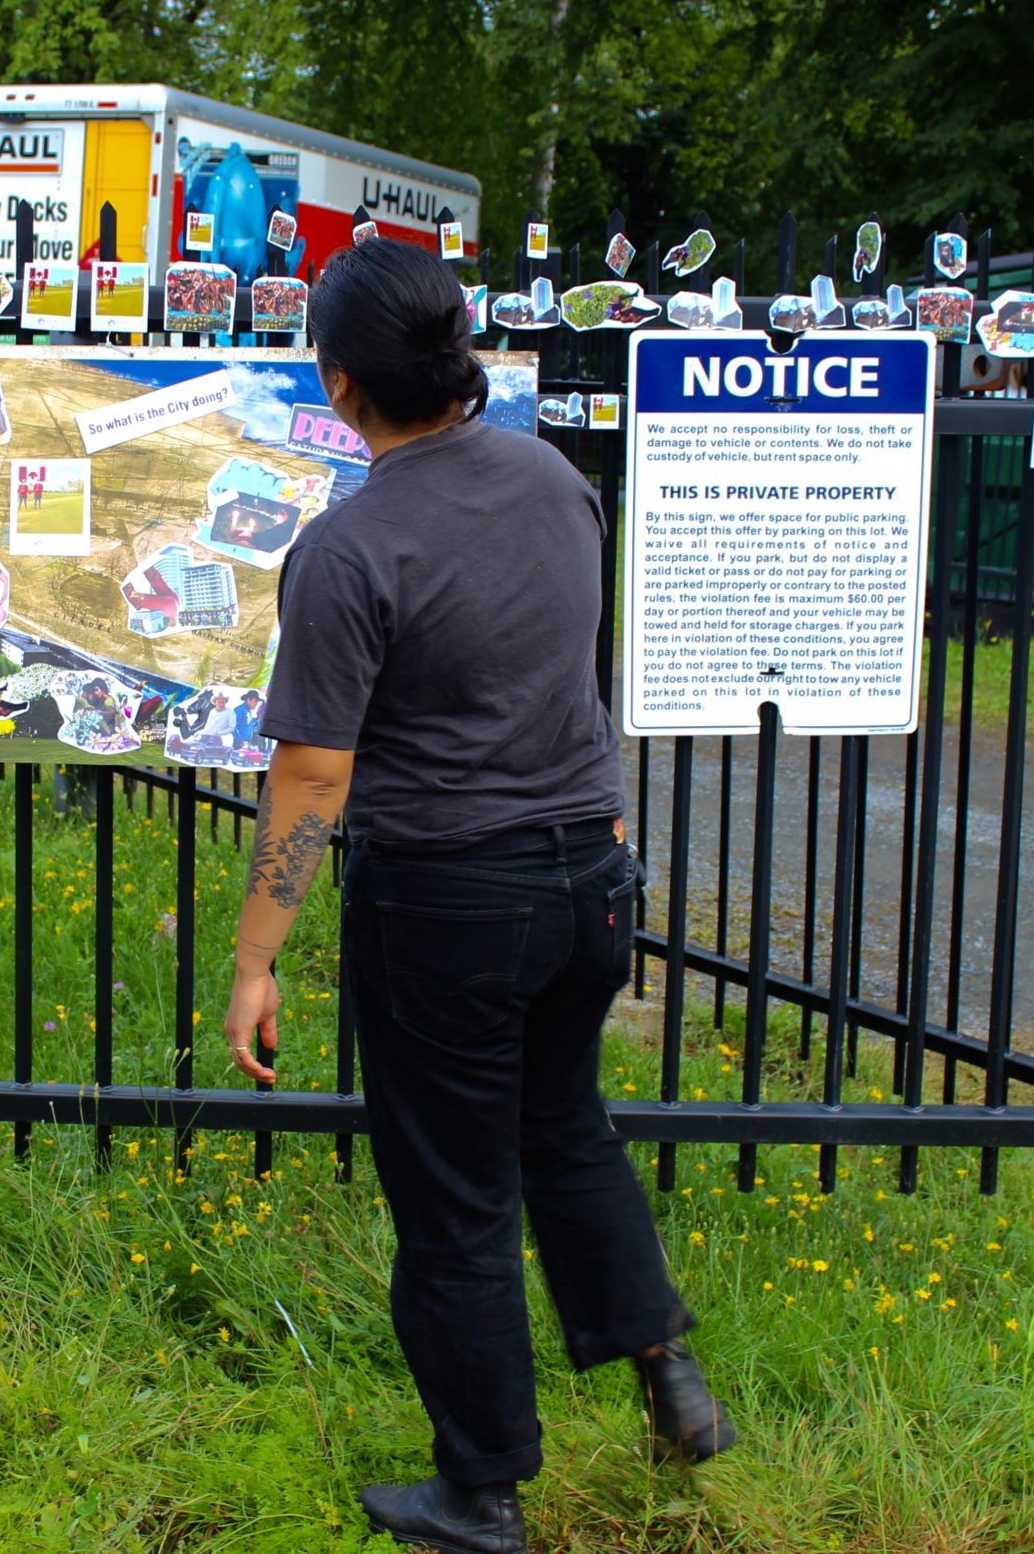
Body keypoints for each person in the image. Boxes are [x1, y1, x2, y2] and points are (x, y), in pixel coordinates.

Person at [224, 236, 735, 1554]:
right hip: (588, 879)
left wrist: (253, 960)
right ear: (456, 356)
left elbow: (313, 779)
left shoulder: (350, 549)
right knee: (564, 1128)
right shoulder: (558, 485)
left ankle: (483, 1488)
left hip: (450, 900)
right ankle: (665, 1366)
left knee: (455, 1200)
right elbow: (570, 678)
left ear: (341, 387)